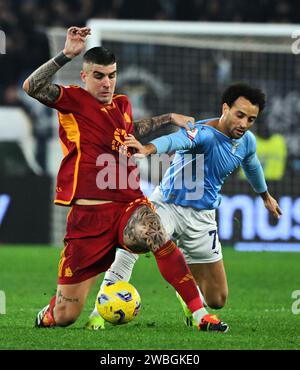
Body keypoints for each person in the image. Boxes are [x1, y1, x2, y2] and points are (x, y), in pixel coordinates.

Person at [22, 26, 228, 332]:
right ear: (84, 76)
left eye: (112, 75)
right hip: (88, 219)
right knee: (67, 314)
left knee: (155, 232)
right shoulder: (73, 100)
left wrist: (169, 118)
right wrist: (66, 55)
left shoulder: (122, 105)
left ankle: (200, 315)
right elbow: (31, 86)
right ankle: (52, 310)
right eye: (99, 76)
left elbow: (131, 130)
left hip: (128, 204)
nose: (107, 83)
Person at [86, 82, 282, 330]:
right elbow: (175, 140)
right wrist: (149, 148)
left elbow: (252, 165)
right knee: (130, 245)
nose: (243, 124)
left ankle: (185, 292)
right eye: (239, 115)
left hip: (202, 218)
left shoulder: (247, 142)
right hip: (167, 205)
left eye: (250, 119)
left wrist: (265, 196)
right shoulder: (203, 133)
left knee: (217, 298)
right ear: (225, 109)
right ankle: (97, 314)